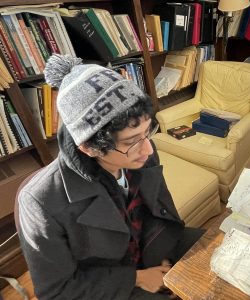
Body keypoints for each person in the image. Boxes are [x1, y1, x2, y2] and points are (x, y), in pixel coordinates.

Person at [17, 54, 204, 299]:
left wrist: (166, 251)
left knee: (223, 249)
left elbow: (162, 211)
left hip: (153, 244)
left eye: (147, 131)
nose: (148, 149)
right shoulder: (41, 202)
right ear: (88, 147)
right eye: (130, 141)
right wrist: (137, 278)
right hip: (109, 280)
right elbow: (57, 291)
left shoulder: (143, 150)